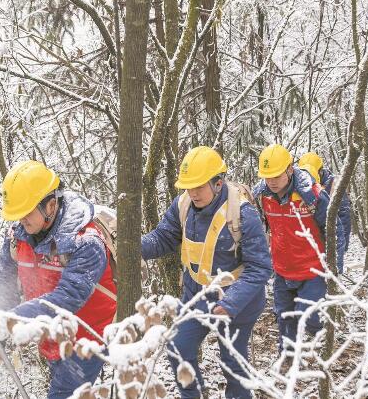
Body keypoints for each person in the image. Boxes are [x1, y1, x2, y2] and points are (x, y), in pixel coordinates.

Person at [141, 146, 272, 399]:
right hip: (196, 294)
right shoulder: (183, 205)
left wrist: (231, 303)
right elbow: (164, 237)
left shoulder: (244, 214)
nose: (193, 193)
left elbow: (259, 268)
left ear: (218, 183)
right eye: (189, 187)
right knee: (178, 348)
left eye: (199, 187)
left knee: (233, 362)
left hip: (238, 300)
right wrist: (133, 247)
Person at [0, 160, 116, 398]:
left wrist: (11, 320)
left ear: (51, 205)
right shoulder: (18, 236)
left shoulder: (86, 241)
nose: (20, 219)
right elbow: (3, 282)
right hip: (51, 336)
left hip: (88, 336)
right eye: (17, 214)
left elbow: (66, 299)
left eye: (26, 212)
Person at [253, 144, 345, 353]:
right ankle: (288, 358)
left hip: (313, 269)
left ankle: (324, 341)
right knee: (285, 317)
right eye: (267, 177)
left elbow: (335, 230)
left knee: (311, 317)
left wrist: (335, 268)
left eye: (276, 175)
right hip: (283, 269)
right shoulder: (262, 195)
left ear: (289, 169)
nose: (271, 181)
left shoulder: (312, 194)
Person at [298, 151, 352, 252]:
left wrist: (341, 247)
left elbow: (344, 216)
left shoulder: (335, 186)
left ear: (320, 171)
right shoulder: (302, 185)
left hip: (330, 241)